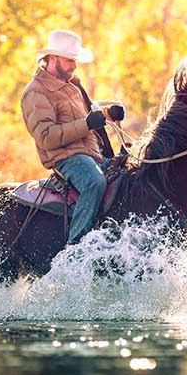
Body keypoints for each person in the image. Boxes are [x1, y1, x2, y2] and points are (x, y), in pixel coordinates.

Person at [20, 29, 124, 245]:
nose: (74, 65)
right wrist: (87, 124)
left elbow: (86, 119)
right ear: (52, 58)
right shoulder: (35, 92)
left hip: (91, 156)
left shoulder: (72, 86)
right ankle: (75, 250)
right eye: (69, 60)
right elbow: (46, 137)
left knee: (127, 172)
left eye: (74, 60)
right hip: (66, 158)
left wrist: (107, 115)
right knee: (94, 182)